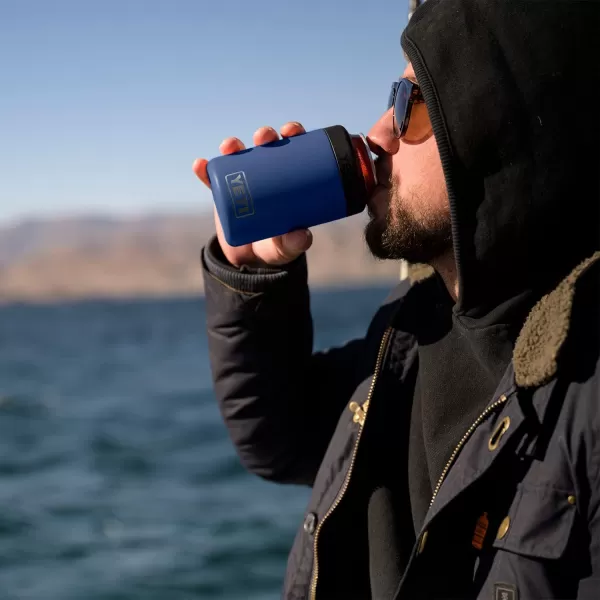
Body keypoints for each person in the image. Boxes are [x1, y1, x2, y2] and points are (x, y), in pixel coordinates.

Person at [192, 0, 600, 597]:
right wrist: (254, 278)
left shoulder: (585, 389)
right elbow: (280, 440)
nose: (379, 133)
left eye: (412, 102)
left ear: (496, 121)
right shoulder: (411, 328)